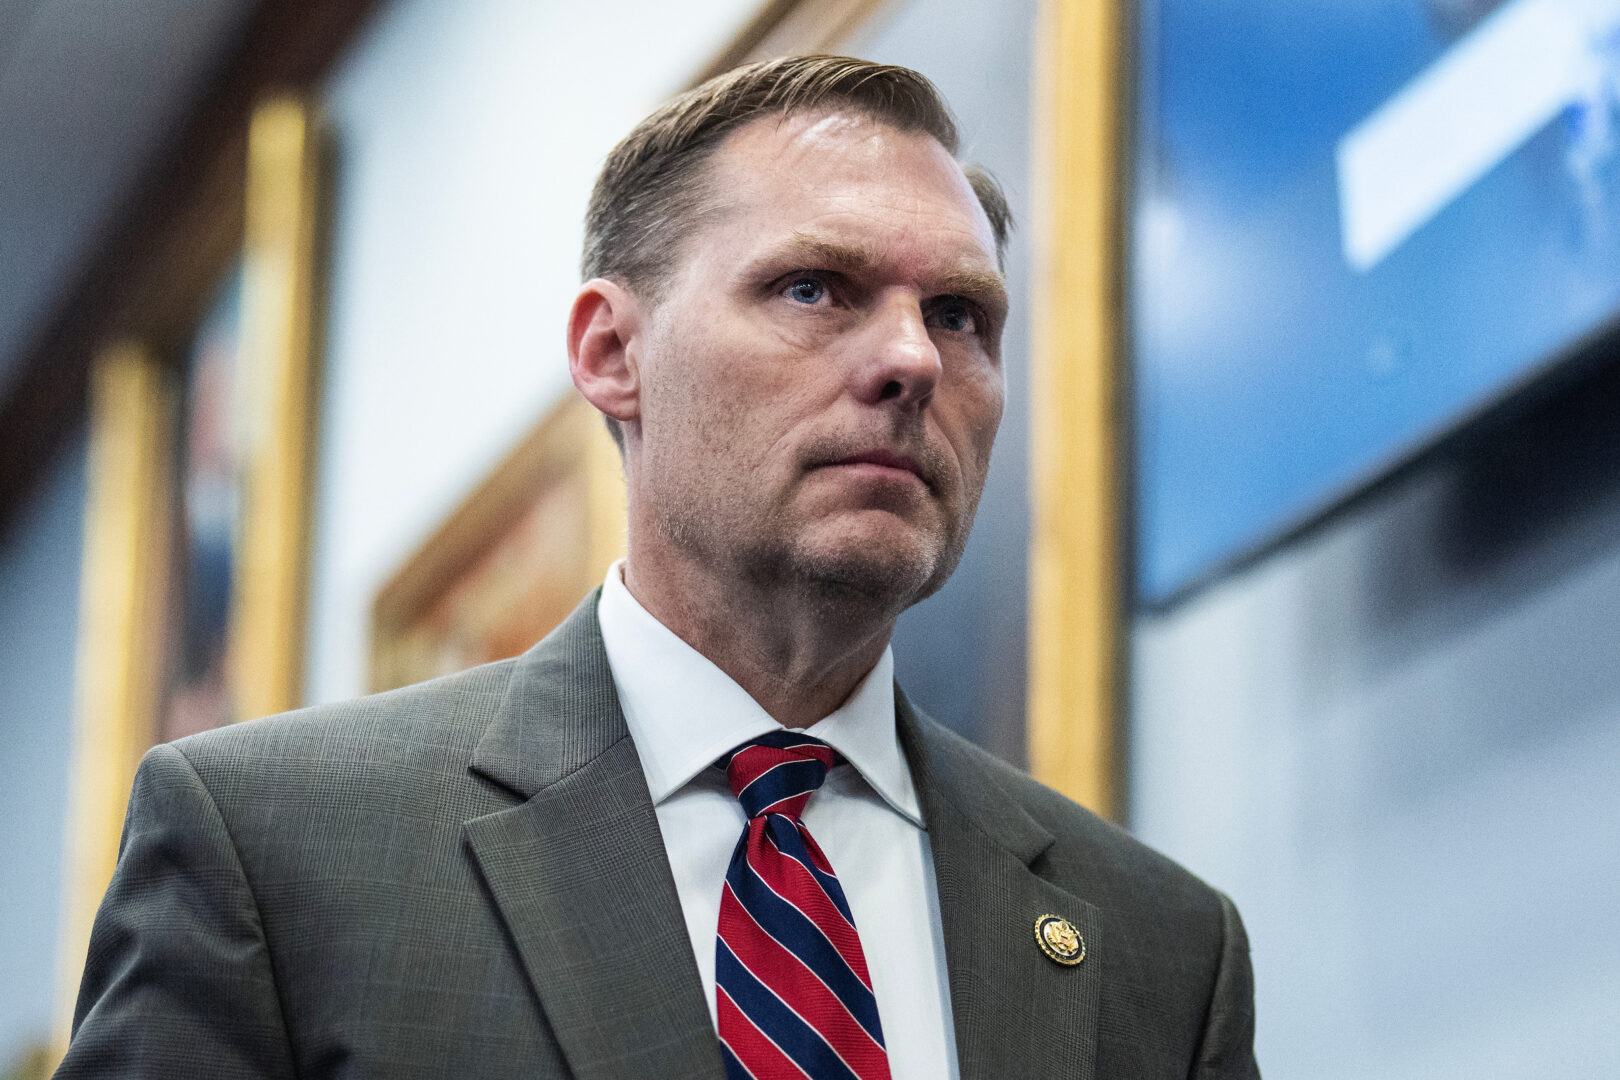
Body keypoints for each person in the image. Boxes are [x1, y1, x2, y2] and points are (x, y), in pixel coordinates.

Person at [59, 56, 1259, 1079]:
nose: (912, 361)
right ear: (611, 352)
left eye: (960, 315)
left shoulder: (1162, 947)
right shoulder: (275, 852)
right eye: (814, 289)